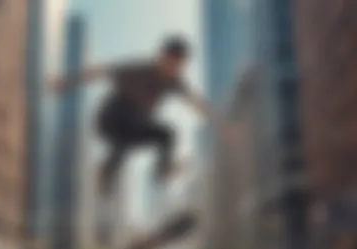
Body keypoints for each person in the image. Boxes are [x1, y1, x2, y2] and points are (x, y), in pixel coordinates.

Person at [48, 36, 234, 196]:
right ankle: (106, 172)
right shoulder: (137, 70)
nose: (172, 69)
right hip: (109, 119)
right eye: (170, 63)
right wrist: (65, 82)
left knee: (167, 134)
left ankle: (161, 172)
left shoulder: (174, 82)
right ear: (161, 57)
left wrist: (222, 126)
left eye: (177, 66)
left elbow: (196, 102)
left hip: (133, 127)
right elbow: (99, 71)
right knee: (129, 120)